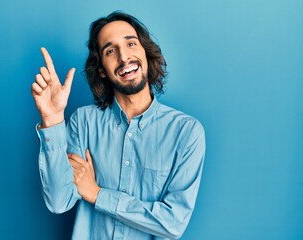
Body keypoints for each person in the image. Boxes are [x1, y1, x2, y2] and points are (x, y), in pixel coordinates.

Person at [31, 11, 206, 240]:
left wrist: (96, 193)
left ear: (145, 52)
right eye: (111, 51)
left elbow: (173, 223)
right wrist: (52, 119)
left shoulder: (186, 132)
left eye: (131, 44)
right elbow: (58, 201)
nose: (124, 57)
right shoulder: (83, 122)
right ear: (102, 69)